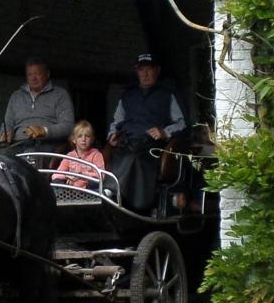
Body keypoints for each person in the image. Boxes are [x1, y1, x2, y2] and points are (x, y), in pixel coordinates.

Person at [106, 53, 187, 211]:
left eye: (148, 69)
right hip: (126, 142)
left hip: (151, 146)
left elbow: (182, 123)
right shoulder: (127, 95)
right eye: (141, 70)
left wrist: (164, 132)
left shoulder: (167, 94)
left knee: (135, 157)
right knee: (123, 154)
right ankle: (114, 194)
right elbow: (116, 121)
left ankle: (113, 190)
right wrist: (112, 134)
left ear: (157, 70)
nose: (145, 74)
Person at [0, 57, 75, 158]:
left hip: (46, 144)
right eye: (30, 74)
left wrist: (44, 131)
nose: (33, 78)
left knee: (30, 156)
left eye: (37, 74)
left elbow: (68, 126)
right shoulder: (16, 96)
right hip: (18, 144)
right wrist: (5, 133)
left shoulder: (60, 94)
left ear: (47, 74)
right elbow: (7, 123)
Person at [52, 120, 105, 189]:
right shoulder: (70, 156)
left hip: (88, 190)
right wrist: (67, 175)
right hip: (71, 189)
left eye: (87, 136)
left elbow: (101, 176)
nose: (83, 139)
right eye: (80, 136)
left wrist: (81, 175)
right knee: (56, 182)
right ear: (74, 139)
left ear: (92, 139)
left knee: (95, 183)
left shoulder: (96, 155)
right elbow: (55, 175)